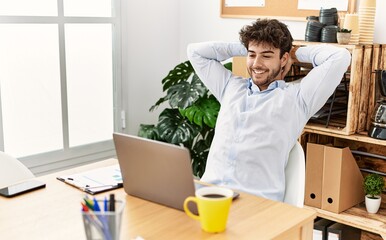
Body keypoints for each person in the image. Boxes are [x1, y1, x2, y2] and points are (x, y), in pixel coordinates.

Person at [187, 18, 351, 201]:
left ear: (283, 59)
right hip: (208, 194)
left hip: (255, 203)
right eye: (251, 55)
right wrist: (247, 47)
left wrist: (296, 52)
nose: (256, 64)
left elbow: (340, 57)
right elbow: (195, 52)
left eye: (266, 56)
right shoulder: (230, 87)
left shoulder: (298, 98)